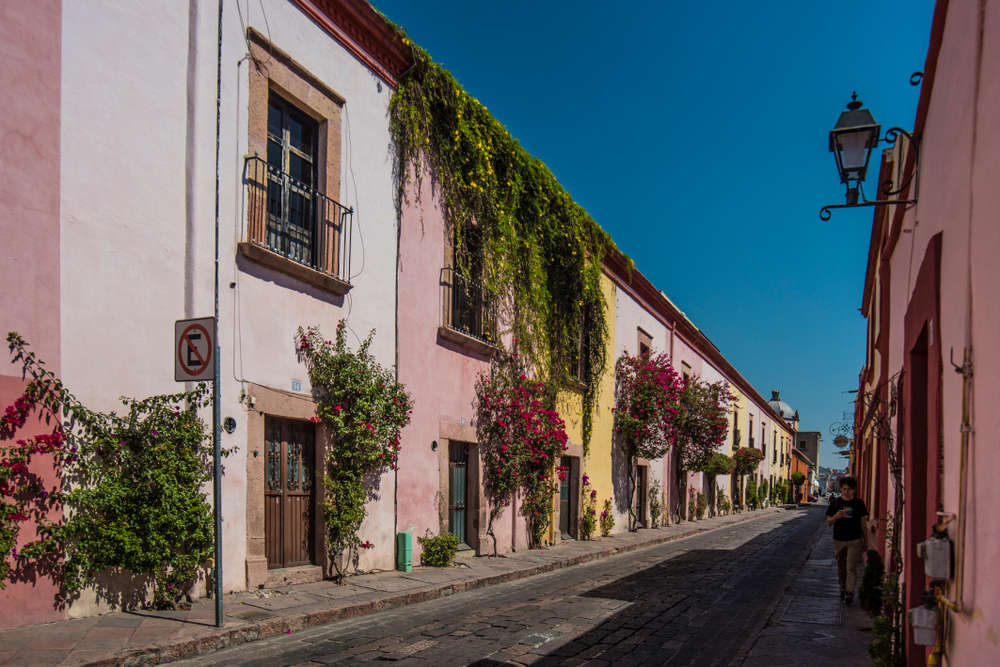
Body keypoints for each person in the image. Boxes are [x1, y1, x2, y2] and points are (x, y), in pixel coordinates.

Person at [825, 476, 869, 604]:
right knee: (841, 566)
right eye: (844, 489)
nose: (846, 492)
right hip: (839, 539)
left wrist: (865, 539)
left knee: (851, 567)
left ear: (854, 489)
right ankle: (842, 589)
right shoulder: (835, 503)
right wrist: (835, 517)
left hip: (854, 539)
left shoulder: (859, 503)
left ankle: (850, 592)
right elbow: (828, 522)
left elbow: (862, 522)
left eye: (849, 489)